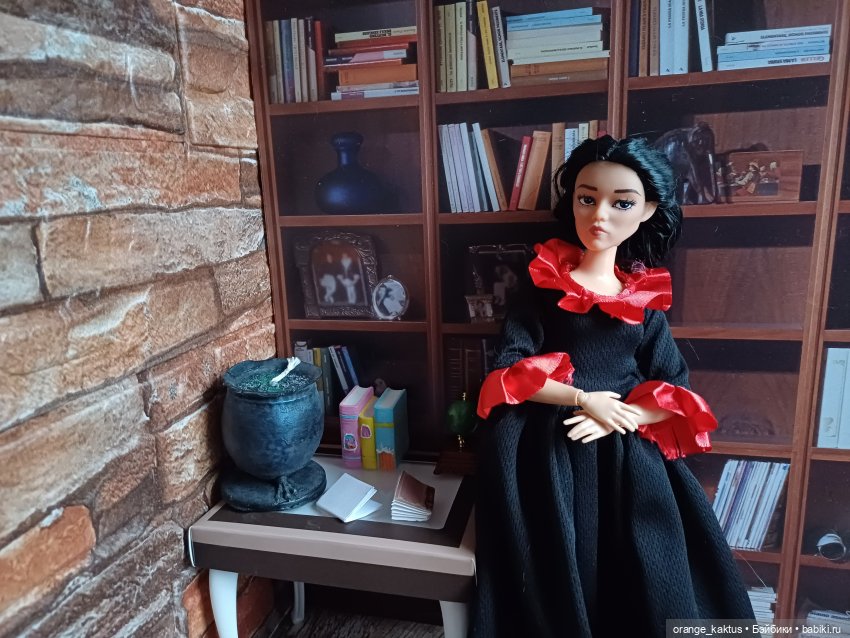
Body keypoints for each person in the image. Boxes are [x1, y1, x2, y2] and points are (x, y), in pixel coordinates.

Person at [471, 136, 754, 638]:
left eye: (621, 203)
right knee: (562, 555)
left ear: (647, 211)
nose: (599, 215)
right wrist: (582, 399)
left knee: (646, 555)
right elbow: (508, 370)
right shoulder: (543, 287)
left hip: (623, 449)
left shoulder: (643, 302)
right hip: (550, 441)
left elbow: (673, 385)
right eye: (587, 198)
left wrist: (624, 415)